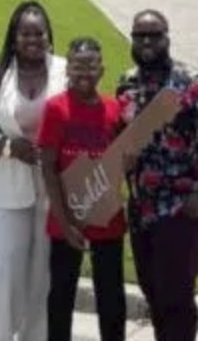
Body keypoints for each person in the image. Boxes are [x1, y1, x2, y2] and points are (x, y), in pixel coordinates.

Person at [116, 10, 198, 341]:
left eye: (154, 35)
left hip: (182, 208)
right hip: (142, 208)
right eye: (139, 35)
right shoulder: (127, 84)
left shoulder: (194, 84)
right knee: (152, 290)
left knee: (177, 296)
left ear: (167, 38)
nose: (146, 42)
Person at [0, 0, 68, 341]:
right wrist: (8, 146)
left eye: (39, 33)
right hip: (8, 186)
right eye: (25, 33)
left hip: (55, 189)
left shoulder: (65, 72)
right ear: (13, 36)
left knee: (43, 272)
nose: (33, 39)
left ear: (49, 36)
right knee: (7, 265)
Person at [38, 37, 127, 341]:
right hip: (66, 215)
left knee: (111, 296)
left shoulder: (115, 109)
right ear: (68, 69)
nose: (84, 73)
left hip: (106, 215)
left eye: (91, 66)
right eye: (78, 66)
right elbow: (48, 166)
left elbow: (124, 161)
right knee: (61, 294)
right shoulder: (56, 109)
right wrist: (64, 221)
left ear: (102, 70)